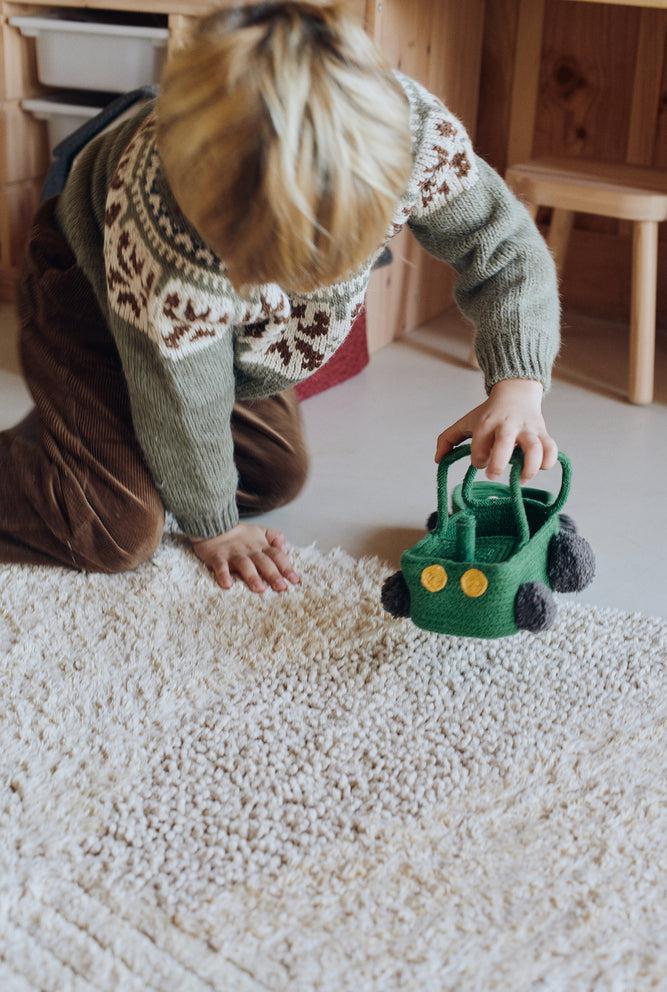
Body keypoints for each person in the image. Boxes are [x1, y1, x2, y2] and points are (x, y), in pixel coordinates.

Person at [0, 0, 559, 595]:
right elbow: (184, 394)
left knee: (274, 476)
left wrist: (517, 385)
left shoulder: (413, 139)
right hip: (87, 293)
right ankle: (78, 427)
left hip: (212, 333)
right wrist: (212, 527)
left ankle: (90, 429)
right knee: (116, 530)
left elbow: (504, 248)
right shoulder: (170, 232)